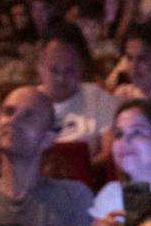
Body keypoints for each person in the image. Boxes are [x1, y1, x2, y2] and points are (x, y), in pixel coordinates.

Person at [0, 85, 92, 226]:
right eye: (8, 112)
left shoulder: (74, 197)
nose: (13, 120)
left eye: (28, 116)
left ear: (47, 140)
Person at [36, 24, 118, 156]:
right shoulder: (27, 102)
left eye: (69, 70)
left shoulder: (98, 98)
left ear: (81, 66)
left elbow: (110, 153)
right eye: (54, 70)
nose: (61, 78)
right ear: (40, 65)